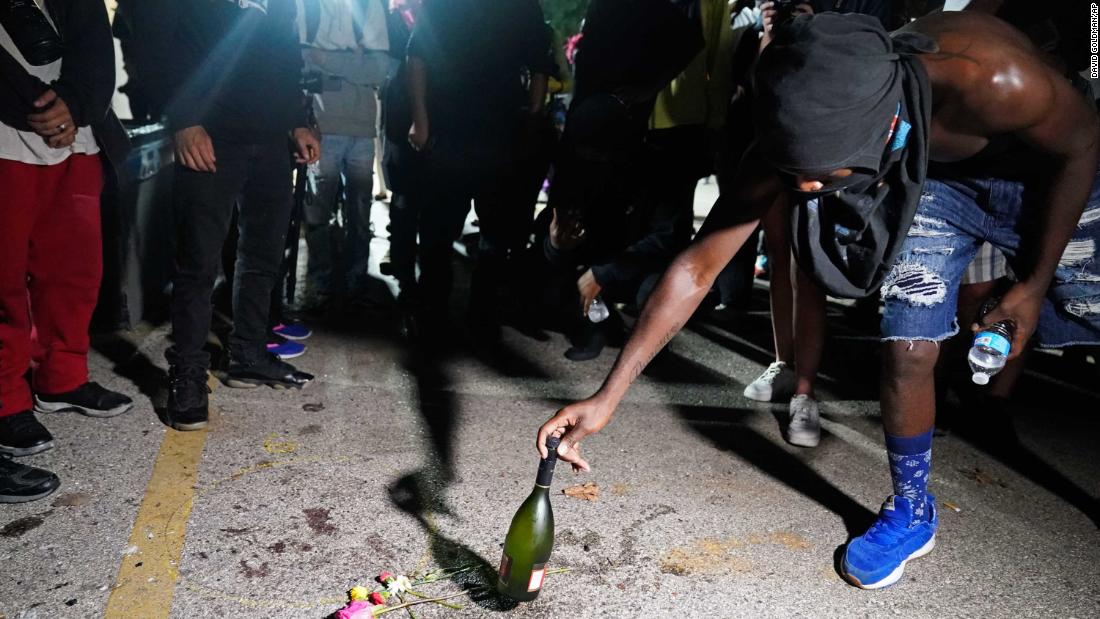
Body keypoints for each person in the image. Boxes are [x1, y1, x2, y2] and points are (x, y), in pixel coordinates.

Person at [537, 12, 1099, 590]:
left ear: (882, 127)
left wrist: (1032, 285)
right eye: (798, 176)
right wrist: (608, 396)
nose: (808, 190)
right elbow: (697, 265)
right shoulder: (791, 134)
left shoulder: (995, 80)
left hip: (1052, 172)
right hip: (936, 180)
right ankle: (911, 509)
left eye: (826, 176)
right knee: (908, 342)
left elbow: (1081, 147)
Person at [163, 0, 320, 432]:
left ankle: (248, 353)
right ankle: (188, 375)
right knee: (198, 262)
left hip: (271, 140)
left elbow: (285, 59)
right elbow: (162, 45)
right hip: (210, 134)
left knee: (263, 254)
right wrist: (184, 119)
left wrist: (296, 122)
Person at [0, 0, 132, 501]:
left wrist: (73, 104)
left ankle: (62, 378)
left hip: (78, 139)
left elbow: (96, 50)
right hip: (9, 136)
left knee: (76, 272)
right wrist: (39, 106)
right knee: (5, 282)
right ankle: (8, 400)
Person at [403, 0, 553, 336]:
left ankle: (481, 314)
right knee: (439, 231)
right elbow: (417, 58)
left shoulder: (523, 6)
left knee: (494, 234)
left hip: (500, 133)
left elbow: (540, 67)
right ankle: (435, 310)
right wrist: (420, 121)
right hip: (451, 130)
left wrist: (531, 122)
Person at [298, 0, 390, 307]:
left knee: (359, 215)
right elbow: (300, 62)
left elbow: (379, 69)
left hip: (361, 127)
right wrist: (354, 61)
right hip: (320, 127)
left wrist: (324, 58)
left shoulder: (368, 5)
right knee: (317, 215)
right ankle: (322, 281)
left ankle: (354, 280)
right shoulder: (306, 6)